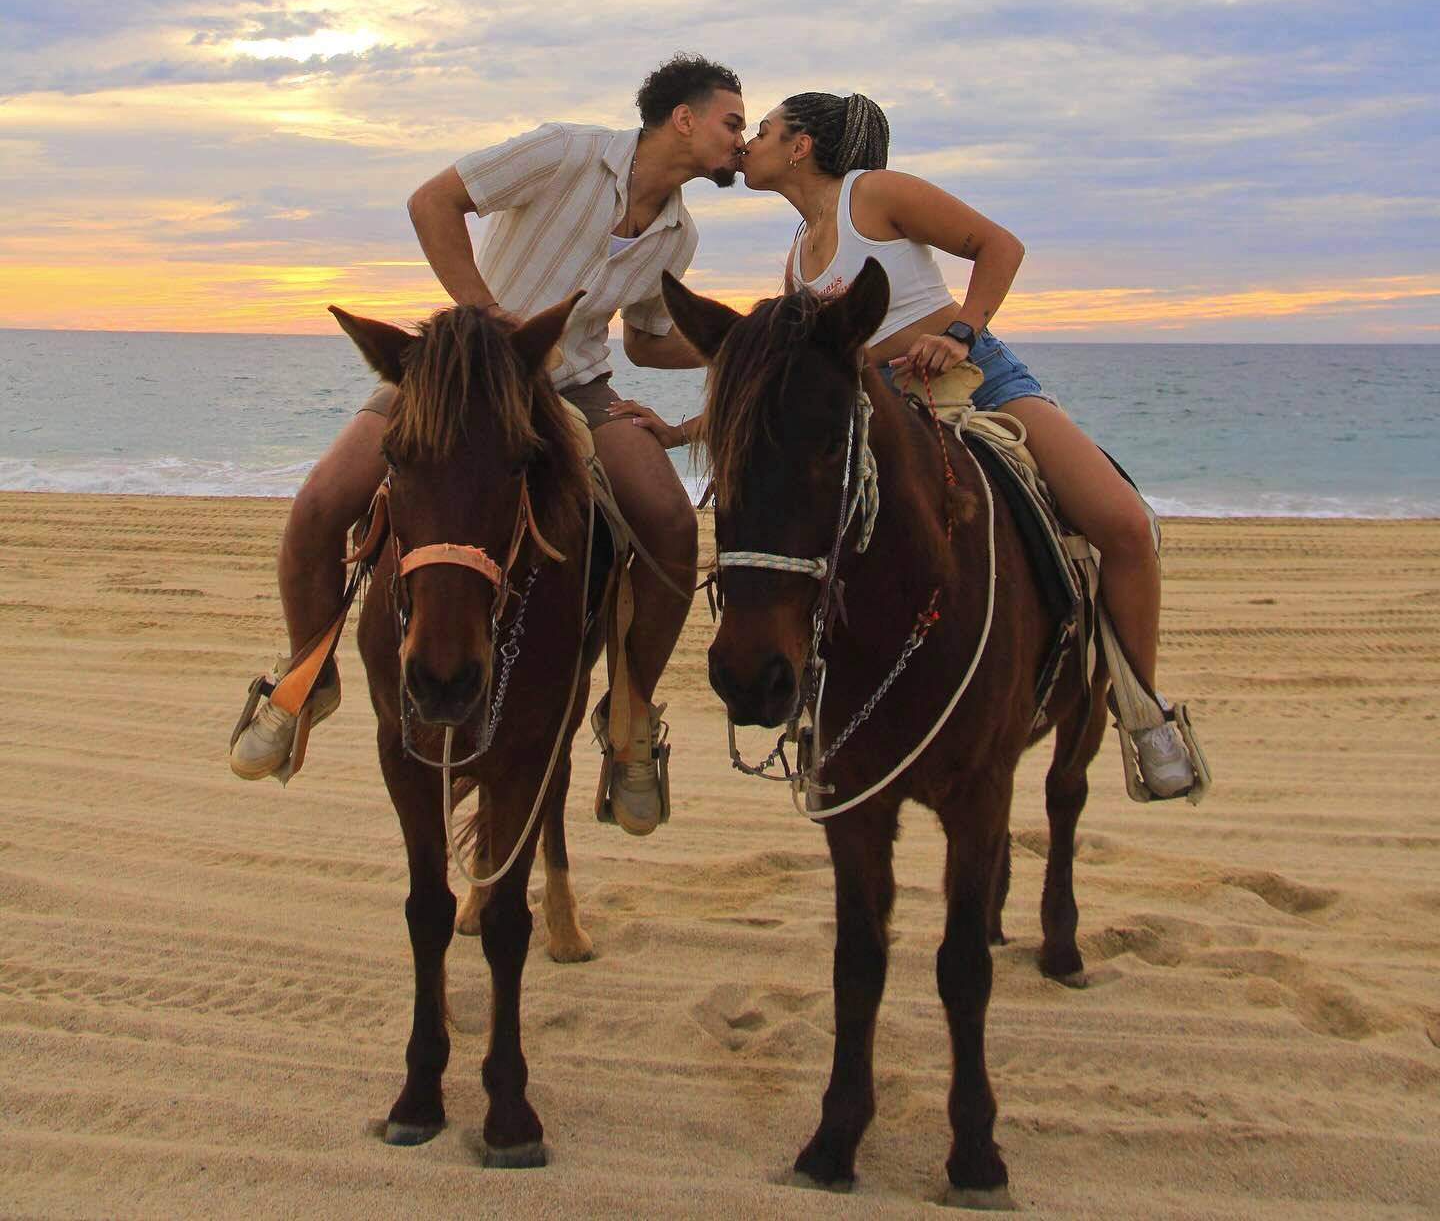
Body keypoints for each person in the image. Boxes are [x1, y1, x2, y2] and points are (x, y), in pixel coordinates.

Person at [611, 89, 1197, 799]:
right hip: (884, 408)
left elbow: (999, 247)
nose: (748, 143)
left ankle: (1144, 714)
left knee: (1123, 523)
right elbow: (795, 398)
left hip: (975, 382)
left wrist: (959, 333)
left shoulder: (875, 193)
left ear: (800, 146)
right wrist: (679, 434)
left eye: (761, 130)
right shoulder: (798, 259)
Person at [229, 54, 748, 833]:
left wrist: (739, 347)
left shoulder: (679, 231)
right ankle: (305, 678)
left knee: (672, 525)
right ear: (684, 118)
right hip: (462, 367)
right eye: (733, 123)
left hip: (572, 383)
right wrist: (486, 317)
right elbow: (432, 201)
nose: (741, 141)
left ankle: (631, 719)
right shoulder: (566, 150)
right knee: (321, 503)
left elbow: (643, 341)